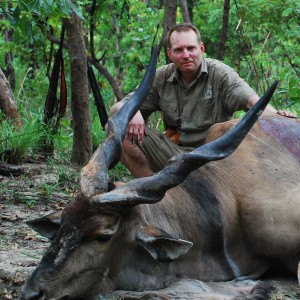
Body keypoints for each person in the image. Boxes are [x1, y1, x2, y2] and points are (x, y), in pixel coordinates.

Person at [110, 23, 297, 178]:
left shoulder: (220, 74)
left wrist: (280, 118)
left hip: (214, 158)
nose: (186, 55)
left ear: (201, 48)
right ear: (170, 53)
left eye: (191, 48)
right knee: (117, 128)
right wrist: (131, 111)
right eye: (179, 50)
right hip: (174, 153)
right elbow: (117, 108)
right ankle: (153, 193)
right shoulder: (161, 77)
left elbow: (256, 105)